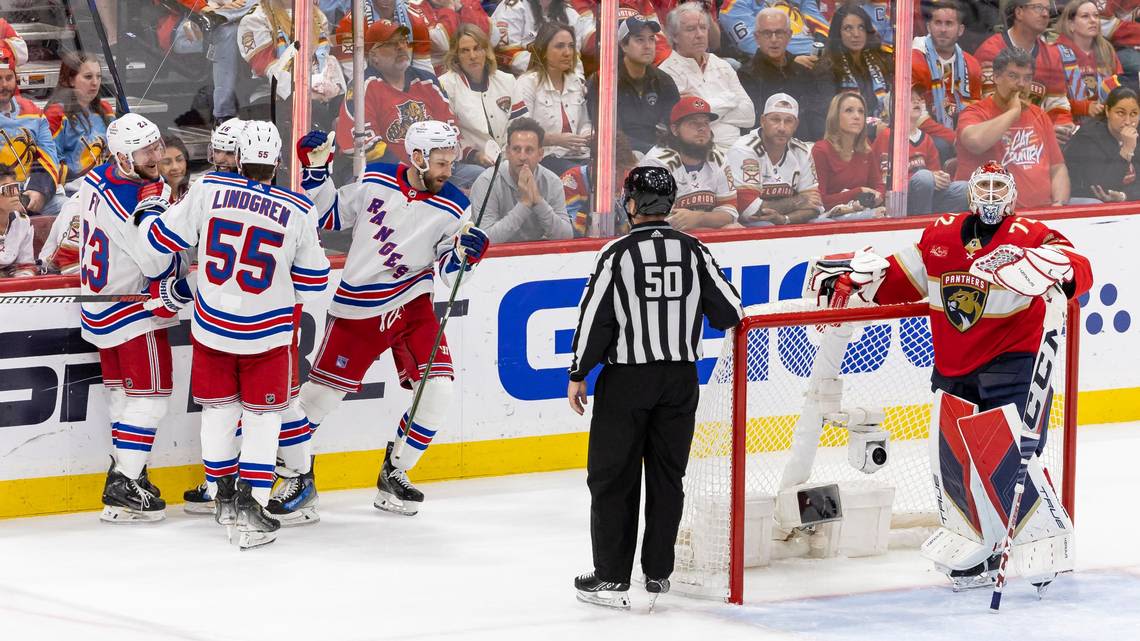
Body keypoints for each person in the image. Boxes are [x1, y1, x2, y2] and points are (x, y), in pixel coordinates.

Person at [811, 161, 1091, 589]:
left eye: (1001, 186)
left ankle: (1041, 541)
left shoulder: (1032, 235)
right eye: (986, 186)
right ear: (971, 193)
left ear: (1013, 194)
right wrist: (861, 279)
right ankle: (974, 545)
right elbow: (901, 279)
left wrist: (1060, 267)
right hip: (953, 368)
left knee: (1012, 459)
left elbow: (1079, 267)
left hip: (1012, 364)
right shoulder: (940, 233)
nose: (993, 194)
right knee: (955, 465)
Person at [137, 121, 330, 549]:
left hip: (213, 330)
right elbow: (315, 283)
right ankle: (253, 507)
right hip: (269, 335)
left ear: (239, 160)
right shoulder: (299, 209)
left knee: (218, 415)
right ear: (277, 162)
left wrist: (153, 211)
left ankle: (223, 497)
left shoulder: (207, 190)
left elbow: (159, 241)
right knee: (264, 419)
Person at [290, 121, 489, 517]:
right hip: (358, 308)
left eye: (451, 161)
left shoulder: (455, 204)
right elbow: (328, 217)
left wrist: (468, 252)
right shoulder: (377, 178)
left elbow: (449, 268)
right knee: (318, 400)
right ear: (416, 158)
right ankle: (296, 478)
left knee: (437, 391)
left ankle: (394, 472)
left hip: (413, 304)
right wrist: (316, 171)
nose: (449, 170)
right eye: (441, 162)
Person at [567, 165, 743, 610]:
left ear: (631, 204)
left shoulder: (617, 253)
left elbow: (596, 319)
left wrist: (577, 371)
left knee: (612, 478)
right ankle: (658, 573)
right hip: (680, 382)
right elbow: (730, 311)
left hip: (627, 382)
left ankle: (611, 578)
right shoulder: (694, 250)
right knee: (668, 476)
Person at [76, 113, 182, 523]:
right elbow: (155, 261)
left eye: (157, 146)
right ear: (123, 156)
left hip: (99, 306)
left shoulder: (93, 179)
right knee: (152, 398)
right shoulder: (132, 202)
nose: (157, 157)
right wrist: (157, 206)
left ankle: (130, 477)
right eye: (146, 151)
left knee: (122, 395)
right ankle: (123, 479)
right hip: (132, 309)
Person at [955, 48, 1072, 209]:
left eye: (1027, 78)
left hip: (1044, 211)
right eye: (1013, 76)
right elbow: (975, 142)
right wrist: (1013, 113)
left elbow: (1057, 167)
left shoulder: (1039, 115)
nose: (1021, 84)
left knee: (1094, 206)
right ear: (996, 77)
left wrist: (1058, 204)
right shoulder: (975, 112)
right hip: (994, 215)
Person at [334, 21, 458, 167]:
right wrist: (410, 170)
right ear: (373, 56)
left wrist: (437, 164)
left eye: (403, 41)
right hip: (386, 174)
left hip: (437, 169)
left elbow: (450, 127)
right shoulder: (362, 87)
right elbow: (362, 144)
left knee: (478, 176)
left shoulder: (428, 81)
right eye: (390, 44)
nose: (400, 47)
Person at [974, 0, 1076, 142]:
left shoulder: (1052, 55)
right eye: (1039, 8)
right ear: (1019, 12)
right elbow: (988, 108)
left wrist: (1062, 126)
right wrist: (1040, 131)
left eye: (1047, 9)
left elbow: (1057, 104)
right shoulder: (991, 50)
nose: (1046, 14)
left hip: (1039, 138)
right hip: (998, 137)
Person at [659, 2, 755, 152]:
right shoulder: (666, 72)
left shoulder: (723, 66)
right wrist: (730, 99)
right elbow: (685, 122)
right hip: (696, 152)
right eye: (690, 29)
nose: (699, 34)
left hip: (736, 150)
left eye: (703, 28)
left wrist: (701, 109)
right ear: (675, 36)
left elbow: (749, 116)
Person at [639, 95, 739, 230]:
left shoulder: (717, 158)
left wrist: (699, 218)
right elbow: (658, 223)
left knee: (734, 228)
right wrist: (709, 224)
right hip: (658, 240)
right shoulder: (656, 163)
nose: (702, 128)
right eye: (693, 123)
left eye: (705, 123)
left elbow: (730, 211)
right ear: (674, 130)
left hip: (700, 231)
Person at [469, 117, 574, 242]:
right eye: (516, 149)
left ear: (541, 154)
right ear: (507, 152)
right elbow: (485, 240)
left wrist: (538, 202)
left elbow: (566, 237)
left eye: (529, 150)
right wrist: (524, 204)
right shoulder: (487, 182)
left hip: (536, 257)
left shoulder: (552, 182)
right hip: (493, 259)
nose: (522, 157)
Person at [737, 7, 833, 142]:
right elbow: (753, 124)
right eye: (767, 33)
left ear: (789, 36)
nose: (774, 39)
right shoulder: (746, 75)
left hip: (808, 147)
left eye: (780, 33)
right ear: (757, 38)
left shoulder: (804, 70)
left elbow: (818, 116)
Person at [587, 15, 680, 154]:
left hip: (661, 153)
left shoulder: (664, 80)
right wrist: (653, 152)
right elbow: (609, 135)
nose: (648, 46)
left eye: (651, 39)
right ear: (623, 45)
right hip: (618, 156)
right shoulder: (603, 81)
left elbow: (675, 125)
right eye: (640, 40)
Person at [438, 24, 516, 187]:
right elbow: (448, 137)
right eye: (465, 51)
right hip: (470, 162)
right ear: (456, 55)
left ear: (486, 51)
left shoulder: (507, 80)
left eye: (477, 48)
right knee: (488, 180)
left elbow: (521, 124)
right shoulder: (445, 85)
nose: (472, 55)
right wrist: (474, 155)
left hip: (511, 156)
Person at [727, 93, 822, 225]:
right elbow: (748, 210)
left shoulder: (802, 151)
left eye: (788, 121)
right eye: (775, 120)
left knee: (823, 222)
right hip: (748, 225)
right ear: (763, 121)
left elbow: (815, 206)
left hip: (787, 220)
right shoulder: (744, 149)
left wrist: (784, 219)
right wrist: (798, 201)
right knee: (765, 225)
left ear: (796, 125)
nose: (782, 128)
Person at [513, 22, 594, 176]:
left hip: (579, 156)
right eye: (560, 46)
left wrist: (586, 135)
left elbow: (584, 122)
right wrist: (554, 139)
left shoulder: (575, 82)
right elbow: (518, 133)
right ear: (543, 51)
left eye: (571, 46)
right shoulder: (527, 83)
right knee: (581, 175)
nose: (567, 52)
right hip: (542, 157)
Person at [872, 88, 968, 215]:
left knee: (966, 188)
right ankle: (920, 226)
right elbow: (884, 180)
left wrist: (941, 178)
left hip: (927, 194)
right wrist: (929, 178)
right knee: (924, 177)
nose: (917, 102)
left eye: (918, 99)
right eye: (911, 100)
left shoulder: (927, 138)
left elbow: (934, 172)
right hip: (900, 200)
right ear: (895, 106)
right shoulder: (887, 136)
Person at [910, 0, 981, 159]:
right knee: (940, 145)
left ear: (960, 29)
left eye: (949, 24)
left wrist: (969, 137)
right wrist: (956, 139)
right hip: (918, 135)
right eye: (938, 23)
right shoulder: (914, 59)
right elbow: (915, 117)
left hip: (959, 135)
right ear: (928, 26)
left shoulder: (972, 65)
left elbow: (975, 113)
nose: (943, 29)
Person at [239, 0, 344, 103]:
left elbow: (326, 58)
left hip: (319, 89)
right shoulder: (255, 18)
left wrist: (334, 87)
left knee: (344, 106)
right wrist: (307, 94)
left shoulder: (317, 15)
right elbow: (271, 69)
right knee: (316, 112)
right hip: (273, 96)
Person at [0, 44, 61, 215]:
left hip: (28, 193)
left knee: (68, 208)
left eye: (8, 78)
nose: (4, 85)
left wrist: (39, 190)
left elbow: (49, 156)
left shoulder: (33, 113)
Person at [44, 52, 115, 193]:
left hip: (107, 186)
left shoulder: (106, 109)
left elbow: (115, 151)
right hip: (71, 190)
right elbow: (50, 161)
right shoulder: (56, 113)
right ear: (71, 80)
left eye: (98, 76)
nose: (95, 82)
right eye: (88, 77)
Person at [810, 92, 885, 216]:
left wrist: (877, 195)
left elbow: (878, 185)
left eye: (861, 111)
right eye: (849, 111)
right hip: (830, 216)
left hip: (862, 211)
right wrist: (857, 192)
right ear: (835, 116)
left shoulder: (866, 148)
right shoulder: (821, 150)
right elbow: (820, 201)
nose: (857, 116)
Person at [1064, 85, 1140, 201]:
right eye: (1121, 113)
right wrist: (1126, 150)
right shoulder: (1089, 137)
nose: (1128, 121)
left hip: (1124, 203)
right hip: (1083, 201)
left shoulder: (1136, 136)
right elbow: (1101, 188)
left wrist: (1123, 196)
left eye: (1134, 114)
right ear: (1107, 111)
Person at [1052, 0, 1123, 120]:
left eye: (1096, 15)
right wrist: (1084, 107)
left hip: (1105, 122)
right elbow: (1051, 100)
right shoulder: (1055, 53)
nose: (1093, 20)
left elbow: (1120, 87)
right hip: (1069, 125)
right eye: (1085, 16)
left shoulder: (1107, 49)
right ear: (1071, 24)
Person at [823, 3, 893, 121]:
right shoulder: (827, 68)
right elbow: (828, 117)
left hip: (882, 127)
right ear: (838, 33)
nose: (856, 34)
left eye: (861, 27)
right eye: (848, 28)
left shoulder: (881, 61)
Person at [491, 0, 587, 74]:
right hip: (519, 79)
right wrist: (550, 66)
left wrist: (575, 81)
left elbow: (574, 60)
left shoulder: (571, 15)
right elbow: (506, 53)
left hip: (561, 81)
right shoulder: (512, 7)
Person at [719, 0, 830, 59]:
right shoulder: (734, 4)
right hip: (771, 64)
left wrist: (821, 51)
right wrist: (792, 60)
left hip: (815, 57)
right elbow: (751, 43)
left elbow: (822, 27)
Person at [0, 165, 34, 278]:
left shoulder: (22, 221)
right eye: (7, 189)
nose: (15, 193)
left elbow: (26, 265)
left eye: (16, 187)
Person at [160, 136, 191, 203]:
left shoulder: (194, 192)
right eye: (167, 162)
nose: (175, 167)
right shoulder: (151, 197)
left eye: (179, 160)